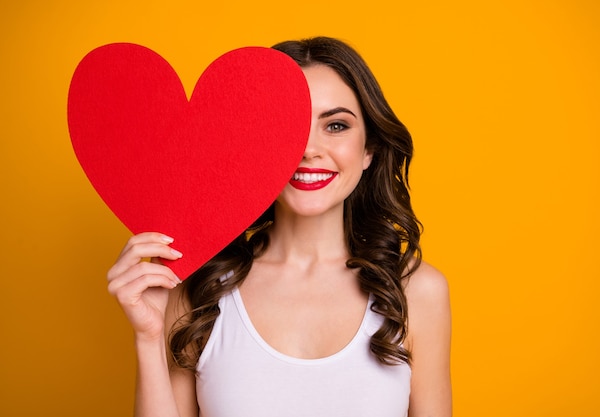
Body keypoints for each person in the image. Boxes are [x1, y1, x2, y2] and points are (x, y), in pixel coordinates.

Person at [107, 36, 451, 417]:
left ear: (369, 149)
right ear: (252, 144)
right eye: (286, 124)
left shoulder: (418, 292)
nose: (309, 149)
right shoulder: (196, 289)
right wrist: (149, 338)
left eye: (335, 125)